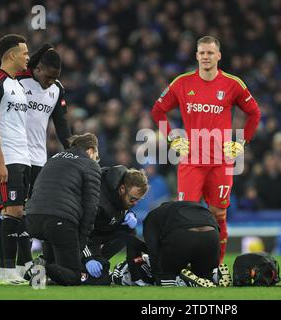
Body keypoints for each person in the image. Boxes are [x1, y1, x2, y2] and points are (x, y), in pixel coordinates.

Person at [151, 36, 261, 263]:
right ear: (196, 56)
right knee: (185, 217)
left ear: (219, 55)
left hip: (221, 162)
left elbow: (254, 113)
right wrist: (173, 138)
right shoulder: (182, 83)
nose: (206, 57)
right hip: (191, 161)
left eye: (210, 53)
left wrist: (241, 142)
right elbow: (158, 111)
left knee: (218, 215)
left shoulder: (233, 84)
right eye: (201, 53)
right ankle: (185, 265)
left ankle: (216, 265)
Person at [15, 43, 71, 278]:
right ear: (37, 69)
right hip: (15, 155)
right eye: (48, 76)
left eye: (55, 77)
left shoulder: (57, 89)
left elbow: (61, 123)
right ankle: (17, 263)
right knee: (16, 211)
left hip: (39, 159)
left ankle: (25, 263)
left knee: (33, 211)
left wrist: (72, 148)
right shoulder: (17, 82)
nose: (51, 81)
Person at [0, 34, 31, 285]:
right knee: (11, 211)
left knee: (19, 212)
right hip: (7, 158)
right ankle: (5, 272)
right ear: (11, 55)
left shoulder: (17, 84)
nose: (27, 57)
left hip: (22, 157)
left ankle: (17, 269)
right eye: (24, 53)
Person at [25, 133, 101, 286]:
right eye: (96, 155)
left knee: (57, 267)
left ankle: (40, 271)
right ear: (91, 150)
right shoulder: (89, 164)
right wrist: (81, 240)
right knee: (73, 275)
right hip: (59, 220)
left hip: (32, 217)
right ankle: (42, 266)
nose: (96, 159)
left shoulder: (53, 159)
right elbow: (91, 207)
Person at [81, 165, 149, 279]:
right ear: (122, 189)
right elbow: (78, 232)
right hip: (81, 241)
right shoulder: (97, 201)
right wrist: (88, 258)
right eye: (133, 199)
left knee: (129, 230)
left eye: (138, 200)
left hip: (97, 234)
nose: (135, 203)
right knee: (100, 278)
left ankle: (101, 260)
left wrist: (129, 214)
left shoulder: (119, 191)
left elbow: (120, 207)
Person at [142, 201, 231, 287]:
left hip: (184, 235)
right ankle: (215, 276)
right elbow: (217, 229)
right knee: (204, 276)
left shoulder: (153, 215)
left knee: (166, 277)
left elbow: (152, 249)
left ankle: (183, 281)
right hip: (212, 236)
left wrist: (157, 273)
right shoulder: (196, 206)